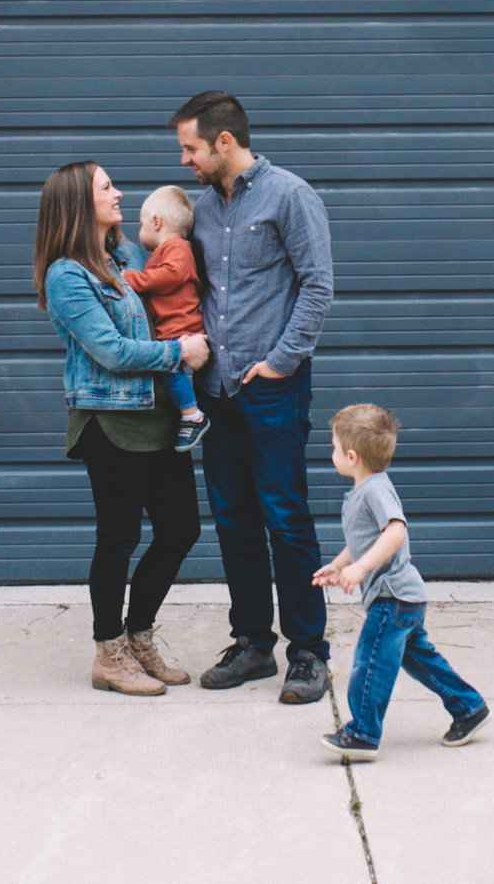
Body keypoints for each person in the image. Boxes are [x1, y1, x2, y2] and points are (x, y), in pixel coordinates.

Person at [170, 89, 335, 704]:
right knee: (235, 520)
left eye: (189, 148)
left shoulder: (290, 196)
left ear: (222, 141)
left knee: (285, 519)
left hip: (271, 389)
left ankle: (309, 653)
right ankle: (252, 644)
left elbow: (318, 287)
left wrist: (278, 363)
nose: (183, 160)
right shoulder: (199, 210)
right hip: (216, 392)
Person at [36, 159, 212, 696]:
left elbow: (169, 292)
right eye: (107, 187)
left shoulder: (127, 254)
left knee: (181, 529)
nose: (119, 194)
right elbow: (110, 351)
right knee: (119, 537)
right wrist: (178, 349)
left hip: (157, 415)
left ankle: (139, 636)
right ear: (77, 203)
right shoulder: (66, 274)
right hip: (110, 420)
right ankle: (108, 653)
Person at [314, 404, 492, 761]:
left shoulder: (375, 490)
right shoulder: (365, 489)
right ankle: (469, 708)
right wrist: (338, 565)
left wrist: (361, 569)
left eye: (333, 448)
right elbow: (363, 540)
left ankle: (363, 733)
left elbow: (394, 531)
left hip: (392, 598)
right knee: (421, 661)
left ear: (352, 456)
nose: (330, 454)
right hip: (403, 598)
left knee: (370, 663)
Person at [121, 183, 210, 451]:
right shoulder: (167, 250)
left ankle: (193, 416)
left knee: (169, 369)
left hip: (180, 326)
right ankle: (186, 413)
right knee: (170, 372)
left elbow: (171, 275)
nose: (139, 231)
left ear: (156, 222)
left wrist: (132, 279)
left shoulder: (177, 248)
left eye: (141, 223)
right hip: (172, 325)